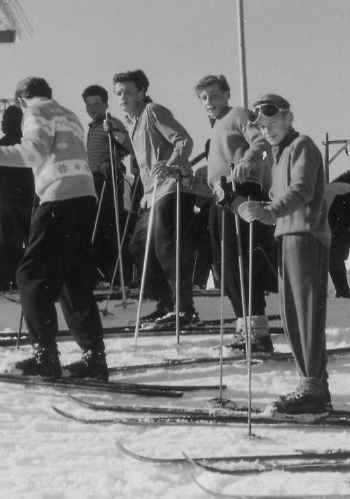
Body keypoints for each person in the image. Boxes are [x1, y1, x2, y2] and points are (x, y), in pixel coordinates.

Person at [0, 77, 108, 380]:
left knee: (30, 275)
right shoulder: (69, 114)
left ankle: (46, 356)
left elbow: (33, 153)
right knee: (72, 278)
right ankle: (94, 358)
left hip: (59, 197)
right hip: (84, 197)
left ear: (21, 100)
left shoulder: (36, 110)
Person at [238, 94, 331, 416]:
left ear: (288, 118)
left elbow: (302, 190)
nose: (268, 131)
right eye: (263, 127)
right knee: (293, 313)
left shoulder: (301, 145)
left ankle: (312, 386)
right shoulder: (278, 154)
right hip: (289, 234)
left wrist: (270, 212)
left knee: (304, 312)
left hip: (305, 234)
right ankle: (313, 383)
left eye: (273, 123)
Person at [195, 74, 276, 353]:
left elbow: (261, 141)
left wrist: (246, 161)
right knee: (226, 264)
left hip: (240, 188)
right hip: (221, 195)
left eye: (214, 95)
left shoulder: (238, 114)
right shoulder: (216, 126)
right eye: (204, 98)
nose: (209, 102)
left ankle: (258, 331)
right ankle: (245, 327)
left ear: (227, 94)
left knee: (241, 260)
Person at [112, 69, 197, 329]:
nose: (123, 97)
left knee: (167, 246)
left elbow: (183, 140)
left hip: (172, 185)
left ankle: (184, 308)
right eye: (118, 93)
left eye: (128, 92)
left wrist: (171, 164)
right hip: (151, 194)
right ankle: (166, 302)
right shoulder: (133, 122)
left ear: (141, 92)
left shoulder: (152, 111)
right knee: (139, 245)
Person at [81, 85, 133, 285]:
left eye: (96, 104)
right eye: (89, 105)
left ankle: (117, 273)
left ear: (105, 104)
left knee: (110, 225)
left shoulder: (111, 122)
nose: (92, 108)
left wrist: (110, 159)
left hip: (108, 177)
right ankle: (101, 273)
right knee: (97, 225)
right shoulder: (92, 127)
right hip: (94, 179)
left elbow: (127, 146)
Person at [0, 106, 35, 290]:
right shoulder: (26, 143)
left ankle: (15, 280)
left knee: (11, 242)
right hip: (27, 197)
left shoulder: (0, 145)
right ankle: (31, 278)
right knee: (30, 238)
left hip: (9, 199)